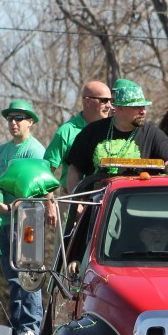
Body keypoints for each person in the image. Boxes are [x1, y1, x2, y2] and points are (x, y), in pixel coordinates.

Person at [0, 98, 47, 335]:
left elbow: (38, 190)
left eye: (19, 118)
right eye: (10, 118)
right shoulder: (1, 151)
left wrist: (12, 205)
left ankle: (32, 325)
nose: (14, 122)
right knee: (12, 276)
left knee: (29, 274)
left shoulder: (36, 151)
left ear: (30, 122)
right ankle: (19, 324)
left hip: (28, 222)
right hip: (5, 222)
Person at [64, 78, 168, 192]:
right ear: (120, 108)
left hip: (137, 207)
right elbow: (75, 170)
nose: (143, 111)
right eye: (136, 107)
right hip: (98, 209)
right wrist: (78, 202)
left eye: (143, 106)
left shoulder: (153, 135)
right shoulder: (92, 131)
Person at [42, 80, 115, 226]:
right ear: (87, 102)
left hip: (106, 203)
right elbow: (45, 172)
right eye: (104, 100)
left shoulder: (113, 128)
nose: (109, 105)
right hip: (71, 201)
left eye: (111, 100)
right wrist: (50, 205)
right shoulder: (67, 131)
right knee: (67, 248)